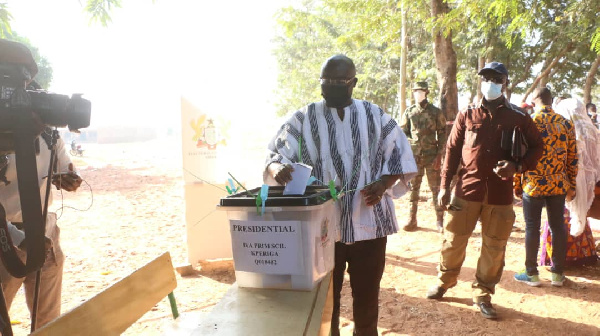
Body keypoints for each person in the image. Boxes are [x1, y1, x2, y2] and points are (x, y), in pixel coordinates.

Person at [265, 54, 417, 336]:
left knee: (367, 295)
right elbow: (275, 154)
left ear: (353, 83)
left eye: (339, 81)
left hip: (369, 223)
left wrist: (383, 184)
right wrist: (277, 169)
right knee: (326, 298)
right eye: (326, 81)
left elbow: (400, 158)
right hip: (323, 228)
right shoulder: (303, 118)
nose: (332, 86)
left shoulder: (376, 116)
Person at [426, 62, 544, 319]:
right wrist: (444, 186)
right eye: (486, 77)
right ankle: (445, 281)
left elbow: (538, 147)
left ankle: (483, 294)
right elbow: (452, 151)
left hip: (500, 195)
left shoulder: (519, 117)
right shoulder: (466, 114)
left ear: (505, 83)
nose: (489, 82)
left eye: (495, 78)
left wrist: (518, 166)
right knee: (453, 240)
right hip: (466, 190)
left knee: (494, 247)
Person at [0, 39, 83, 328]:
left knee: (49, 323)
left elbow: (65, 168)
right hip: (5, 243)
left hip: (46, 236)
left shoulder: (49, 134)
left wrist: (68, 179)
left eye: (23, 81)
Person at [513, 87, 577, 287]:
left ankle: (531, 273)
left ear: (534, 100)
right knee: (558, 226)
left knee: (532, 226)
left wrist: (517, 183)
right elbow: (573, 157)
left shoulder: (528, 122)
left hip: (533, 184)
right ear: (551, 101)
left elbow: (518, 155)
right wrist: (572, 185)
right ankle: (557, 274)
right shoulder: (565, 123)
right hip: (558, 185)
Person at [540, 98, 600, 268]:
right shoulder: (594, 132)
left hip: (566, 186)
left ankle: (559, 259)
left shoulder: (563, 131)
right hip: (591, 188)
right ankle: (583, 255)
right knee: (580, 215)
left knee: (561, 217)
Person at [400, 81, 447, 232]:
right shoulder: (409, 112)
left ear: (426, 92)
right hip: (414, 157)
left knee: (435, 189)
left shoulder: (435, 112)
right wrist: (409, 145)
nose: (417, 94)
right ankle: (411, 220)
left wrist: (440, 154)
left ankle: (439, 220)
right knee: (413, 189)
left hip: (431, 156)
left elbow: (442, 132)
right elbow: (403, 132)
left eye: (420, 91)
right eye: (415, 91)